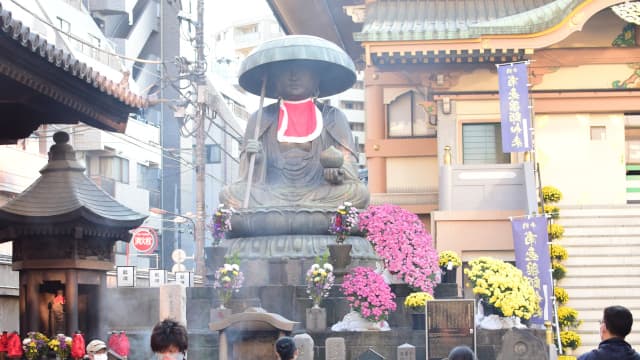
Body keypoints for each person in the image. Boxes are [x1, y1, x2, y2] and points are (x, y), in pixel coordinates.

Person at [219, 35, 369, 210]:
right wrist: (256, 159)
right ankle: (300, 214)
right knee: (230, 194)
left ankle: (290, 214)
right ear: (274, 80)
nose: (294, 76)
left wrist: (338, 173)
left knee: (358, 193)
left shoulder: (333, 117)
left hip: (319, 192)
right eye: (285, 71)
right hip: (271, 193)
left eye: (302, 70)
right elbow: (247, 177)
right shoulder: (260, 119)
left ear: (316, 79)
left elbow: (349, 166)